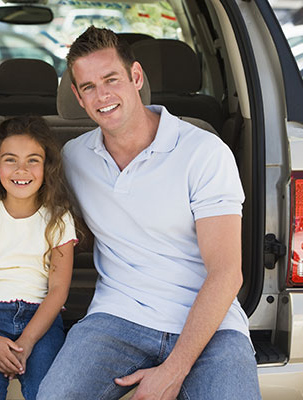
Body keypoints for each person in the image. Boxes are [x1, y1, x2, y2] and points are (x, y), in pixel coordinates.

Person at [37, 26, 261, 400]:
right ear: (76, 95)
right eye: (88, 86)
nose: (102, 95)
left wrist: (173, 371)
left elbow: (226, 274)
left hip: (212, 326)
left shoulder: (204, 152)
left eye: (111, 79)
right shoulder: (74, 157)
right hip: (118, 318)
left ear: (136, 77)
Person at [0, 116, 79, 400]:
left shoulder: (59, 219)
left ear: (47, 166)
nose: (21, 170)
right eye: (10, 160)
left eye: (33, 160)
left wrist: (27, 341)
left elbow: (59, 289)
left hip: (41, 320)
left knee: (46, 392)